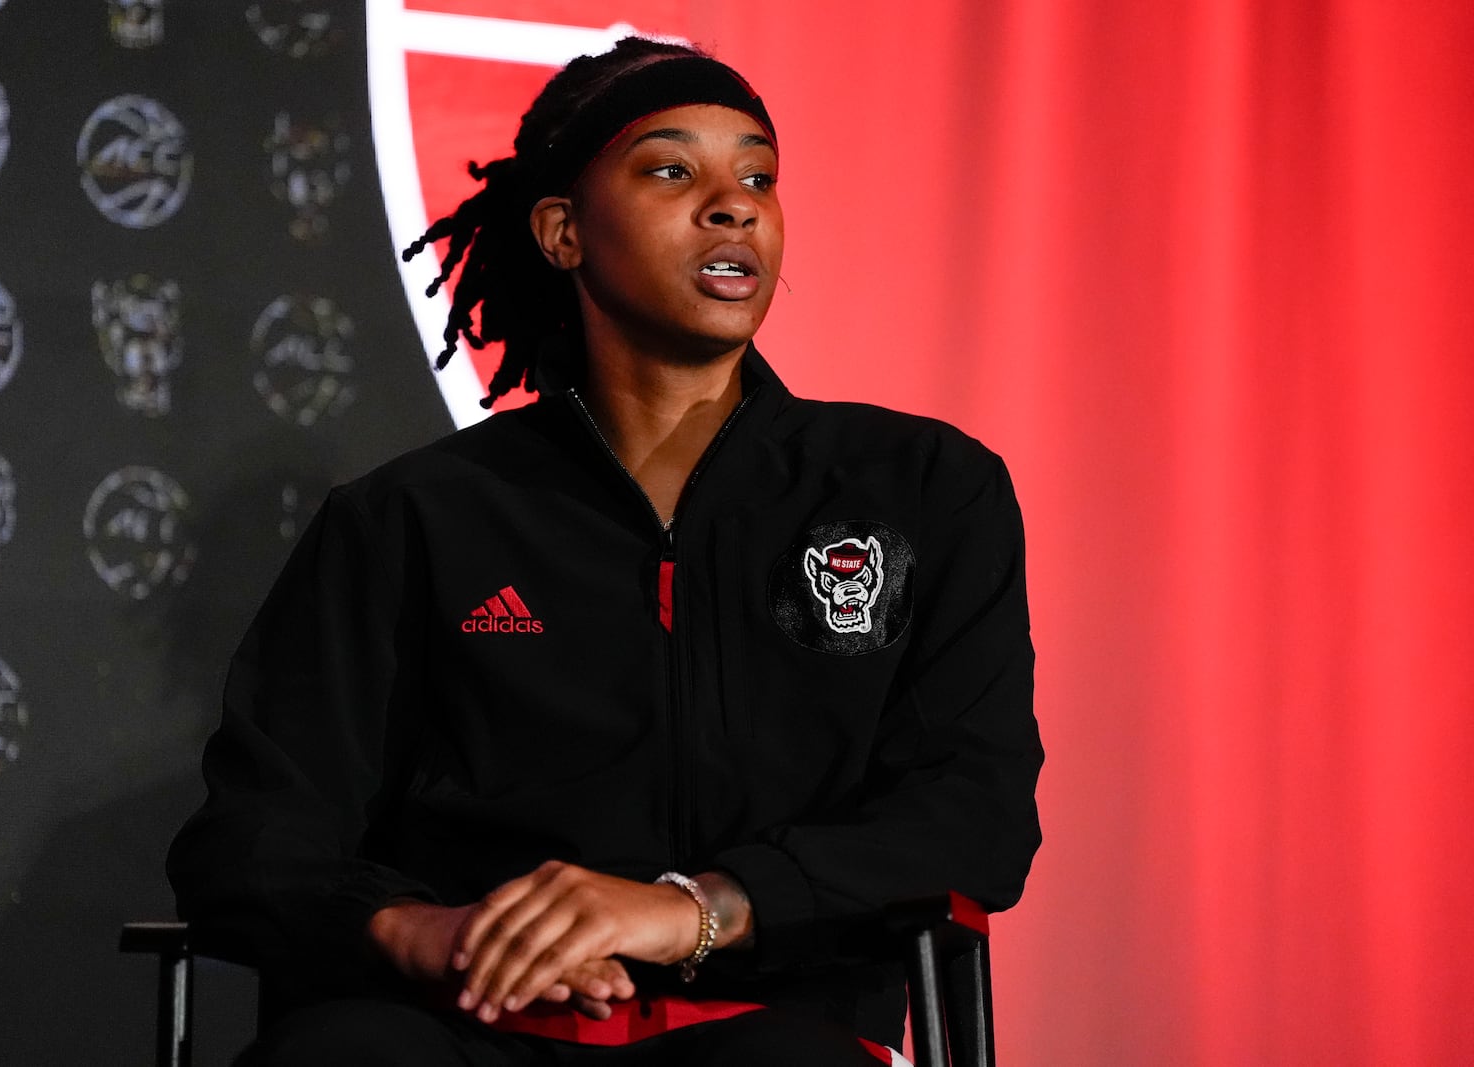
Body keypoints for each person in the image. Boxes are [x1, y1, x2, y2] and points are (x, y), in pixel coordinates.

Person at [168, 36, 1042, 1066]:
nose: (734, 205)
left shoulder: (925, 487)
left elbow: (972, 815)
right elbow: (252, 840)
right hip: (466, 1026)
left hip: (768, 1032)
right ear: (563, 231)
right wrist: (419, 929)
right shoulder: (411, 517)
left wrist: (697, 906)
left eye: (757, 175)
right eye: (672, 170)